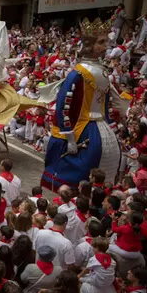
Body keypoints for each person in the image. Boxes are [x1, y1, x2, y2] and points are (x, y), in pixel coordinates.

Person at [39, 18, 126, 190]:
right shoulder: (77, 74)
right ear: (89, 44)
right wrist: (70, 136)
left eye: (106, 42)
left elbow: (105, 102)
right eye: (101, 42)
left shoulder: (103, 71)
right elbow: (65, 105)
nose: (105, 46)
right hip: (82, 127)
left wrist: (109, 121)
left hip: (100, 125)